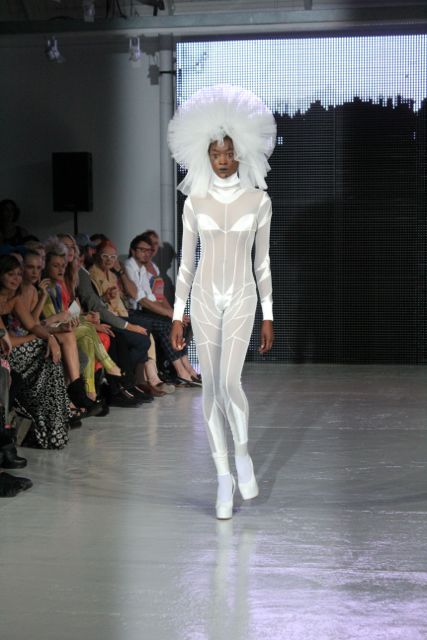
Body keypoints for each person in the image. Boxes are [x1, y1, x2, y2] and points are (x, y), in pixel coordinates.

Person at [168, 85, 276, 519]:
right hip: (205, 296)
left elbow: (262, 262)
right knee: (211, 387)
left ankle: (243, 454)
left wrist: (269, 314)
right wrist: (177, 315)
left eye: (229, 152)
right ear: (206, 156)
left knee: (231, 383)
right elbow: (186, 264)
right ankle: (223, 478)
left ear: (241, 152)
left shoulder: (259, 200)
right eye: (216, 154)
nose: (223, 160)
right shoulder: (194, 202)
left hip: (244, 295)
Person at [124, 233, 200, 386]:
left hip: (143, 311)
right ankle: (180, 371)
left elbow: (152, 297)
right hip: (130, 312)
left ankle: (186, 366)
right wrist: (172, 314)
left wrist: (175, 315)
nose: (147, 253)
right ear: (133, 250)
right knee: (167, 325)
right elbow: (142, 300)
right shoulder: (128, 267)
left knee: (181, 324)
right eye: (142, 250)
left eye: (149, 250)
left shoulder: (143, 269)